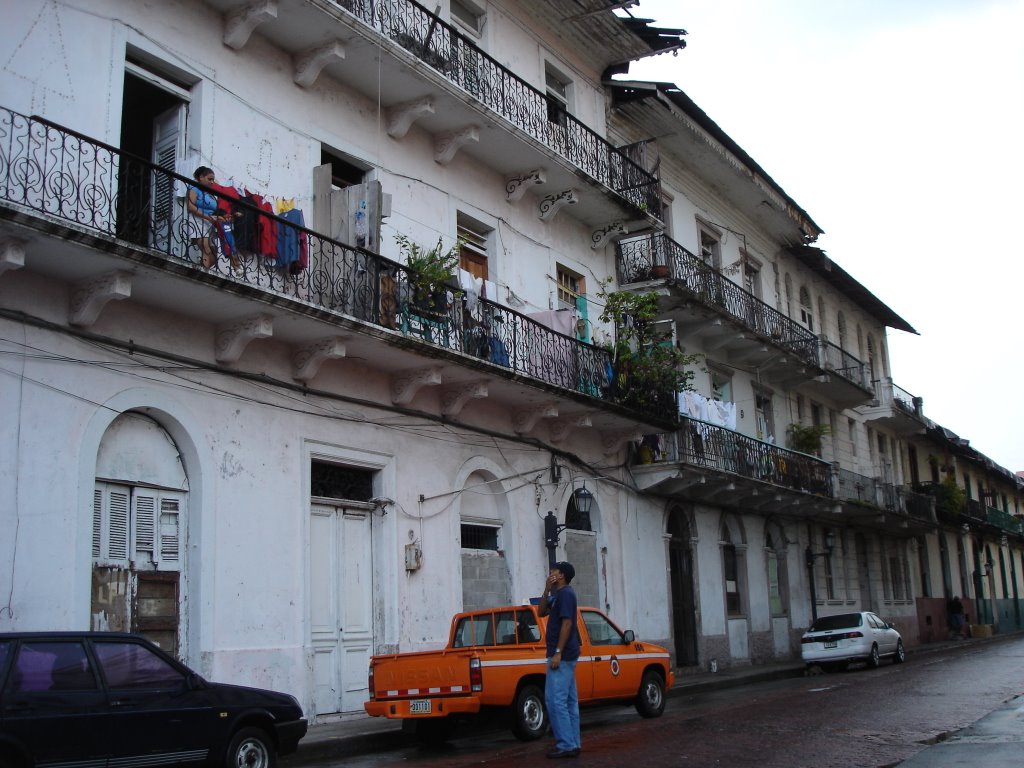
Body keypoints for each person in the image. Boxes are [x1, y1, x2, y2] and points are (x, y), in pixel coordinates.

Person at [538, 561, 581, 759]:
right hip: (566, 654)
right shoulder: (558, 595)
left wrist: (557, 652)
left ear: (561, 575)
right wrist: (546, 589)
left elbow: (567, 624)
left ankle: (566, 744)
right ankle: (573, 742)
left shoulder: (565, 595)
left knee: (555, 701)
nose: (550, 573)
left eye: (553, 571)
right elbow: (540, 612)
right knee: (569, 700)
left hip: (561, 656)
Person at [186, 166, 241, 272]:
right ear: (201, 177)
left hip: (210, 224)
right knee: (207, 249)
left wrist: (227, 216)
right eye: (209, 179)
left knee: (213, 256)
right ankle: (199, 275)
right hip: (198, 221)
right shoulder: (193, 187)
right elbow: (190, 206)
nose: (212, 182)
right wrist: (208, 217)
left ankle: (198, 270)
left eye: (213, 180)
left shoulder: (210, 194)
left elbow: (215, 211)